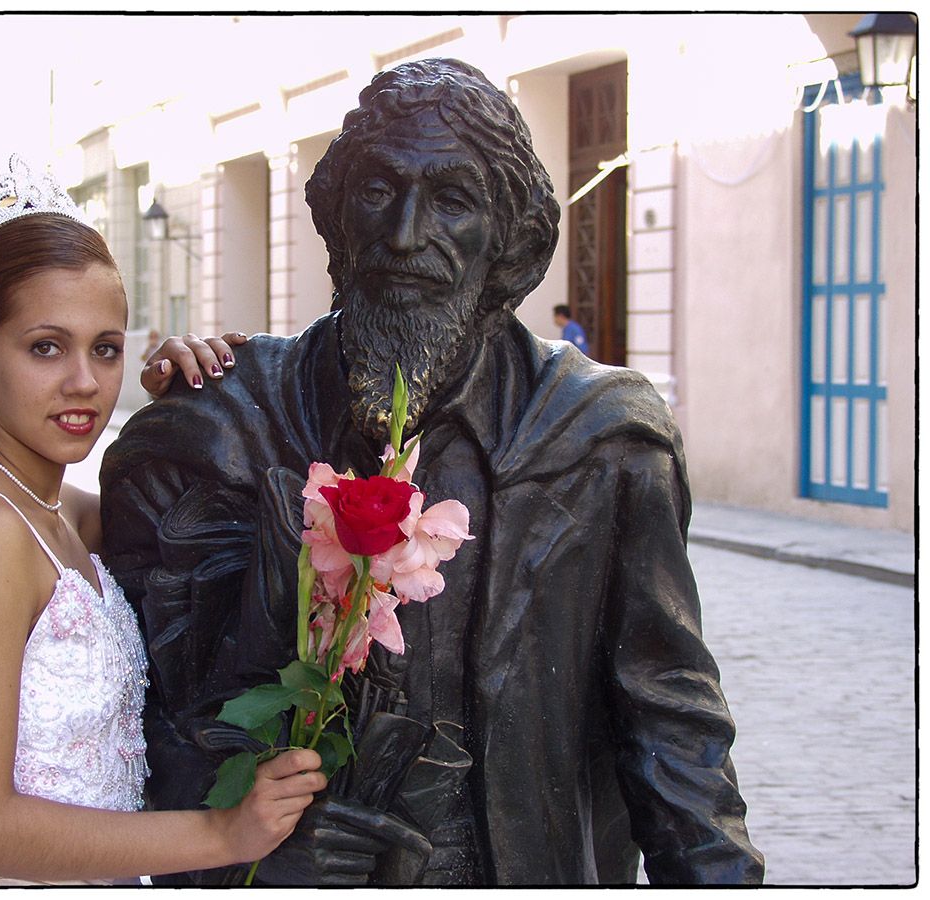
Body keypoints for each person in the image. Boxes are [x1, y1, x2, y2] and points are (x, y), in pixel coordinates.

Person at [105, 59, 763, 886]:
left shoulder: (605, 442)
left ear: (513, 248)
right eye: (379, 191)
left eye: (452, 200)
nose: (407, 235)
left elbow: (670, 719)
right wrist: (245, 842)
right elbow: (142, 719)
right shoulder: (214, 430)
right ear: (336, 216)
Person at [0, 155, 324, 886]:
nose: (85, 382)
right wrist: (222, 833)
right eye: (46, 347)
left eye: (107, 349)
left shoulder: (50, 513)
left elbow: (173, 511)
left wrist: (184, 404)